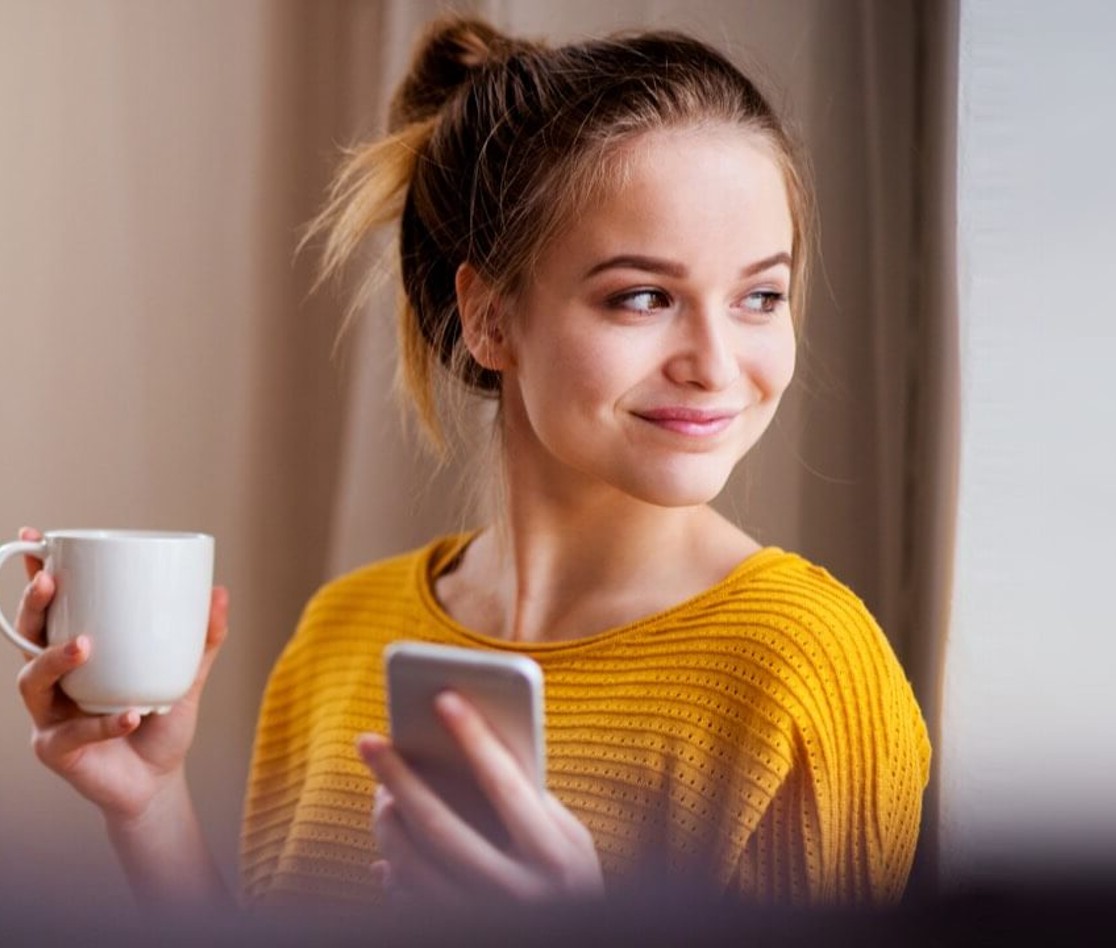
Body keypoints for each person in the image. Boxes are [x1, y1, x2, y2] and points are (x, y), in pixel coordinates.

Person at [12, 15, 930, 914]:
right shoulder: (340, 637)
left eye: (760, 296)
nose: (717, 364)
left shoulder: (806, 672)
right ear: (490, 317)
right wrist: (149, 807)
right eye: (645, 296)